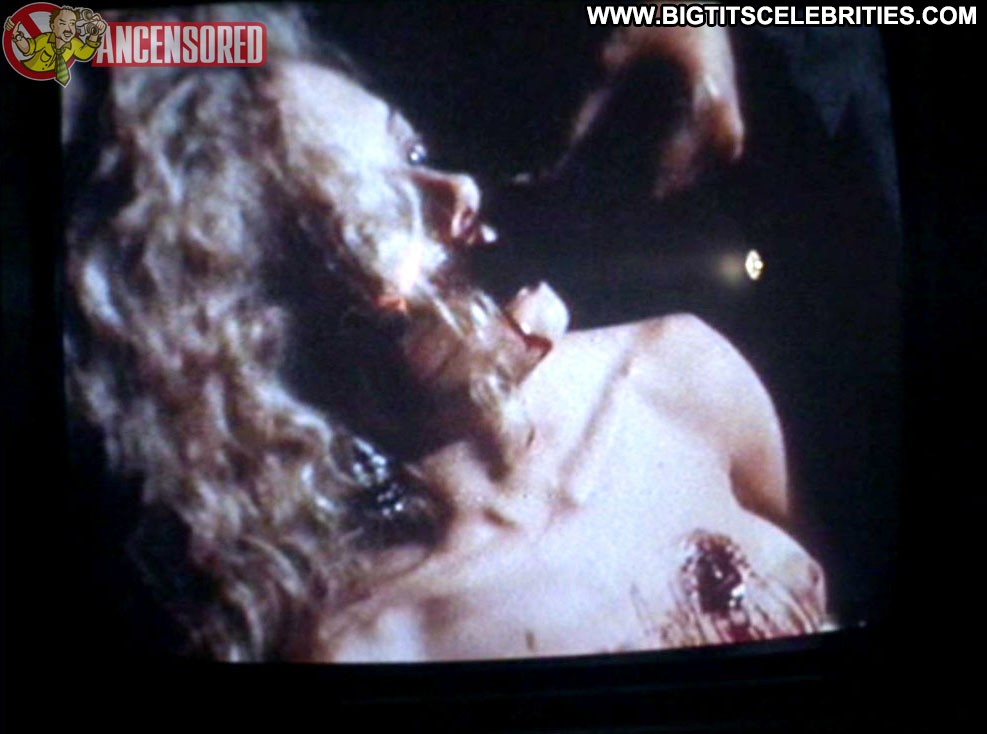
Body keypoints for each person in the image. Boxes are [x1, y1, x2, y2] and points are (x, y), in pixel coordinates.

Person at [64, 6, 829, 662]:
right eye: (371, 212)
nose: (458, 193)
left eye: (414, 155)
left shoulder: (676, 372)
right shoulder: (372, 646)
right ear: (266, 337)